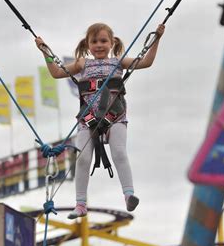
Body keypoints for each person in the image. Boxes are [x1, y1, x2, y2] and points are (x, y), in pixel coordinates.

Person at [35, 23, 165, 219]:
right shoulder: (81, 64)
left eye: (103, 41)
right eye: (94, 41)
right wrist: (45, 50)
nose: (99, 45)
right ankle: (80, 204)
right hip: (89, 119)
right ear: (87, 45)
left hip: (115, 116)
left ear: (112, 42)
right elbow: (56, 72)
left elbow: (146, 62)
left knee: (120, 153)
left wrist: (157, 40)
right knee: (82, 159)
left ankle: (128, 194)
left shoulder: (118, 62)